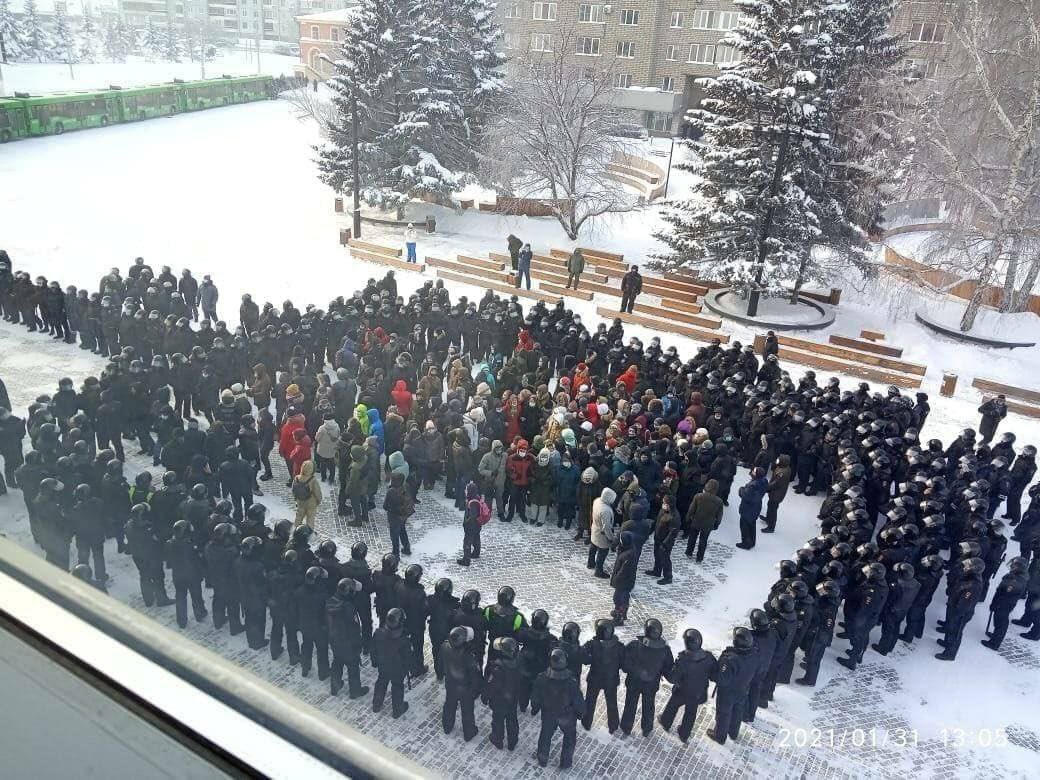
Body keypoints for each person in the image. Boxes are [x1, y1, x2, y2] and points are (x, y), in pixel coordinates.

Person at [659, 628, 716, 743]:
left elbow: (672, 678)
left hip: (682, 691)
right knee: (691, 713)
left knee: (672, 705)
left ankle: (666, 722)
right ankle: (684, 734)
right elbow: (714, 674)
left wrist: (664, 669)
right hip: (697, 693)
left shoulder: (683, 660)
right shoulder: (708, 657)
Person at [531, 648, 584, 769]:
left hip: (549, 714)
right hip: (567, 715)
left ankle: (543, 758)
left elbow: (535, 696)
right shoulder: (571, 682)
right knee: (569, 738)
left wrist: (535, 708)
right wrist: (581, 712)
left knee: (545, 735)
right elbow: (578, 699)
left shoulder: (542, 678)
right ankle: (565, 762)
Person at [619, 618, 674, 736]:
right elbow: (668, 669)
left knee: (630, 705)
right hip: (651, 684)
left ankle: (626, 727)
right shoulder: (665, 650)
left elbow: (625, 666)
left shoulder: (634, 646)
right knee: (649, 706)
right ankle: (647, 729)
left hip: (633, 682)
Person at [707, 626, 758, 745]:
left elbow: (722, 679)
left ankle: (719, 736)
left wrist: (712, 673)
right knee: (738, 711)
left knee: (724, 713)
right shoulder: (754, 655)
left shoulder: (730, 659)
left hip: (728, 693)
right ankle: (733, 732)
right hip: (743, 689)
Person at [327, 577, 369, 698]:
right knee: (353, 667)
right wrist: (358, 644)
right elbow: (354, 629)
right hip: (348, 643)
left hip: (335, 639)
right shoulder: (349, 608)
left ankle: (334, 686)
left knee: (337, 662)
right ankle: (355, 691)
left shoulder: (330, 601)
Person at [441, 625, 483, 741]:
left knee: (449, 705)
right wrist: (476, 690)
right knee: (467, 711)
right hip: (465, 688)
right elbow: (475, 675)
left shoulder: (445, 646)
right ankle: (469, 733)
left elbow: (442, 662)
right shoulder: (469, 656)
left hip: (450, 683)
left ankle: (447, 726)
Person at [371, 607, 412, 718]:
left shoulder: (379, 633)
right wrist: (406, 669)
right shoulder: (404, 641)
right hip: (397, 670)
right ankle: (398, 709)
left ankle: (376, 704)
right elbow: (408, 658)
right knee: (397, 687)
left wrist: (375, 662)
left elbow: (373, 649)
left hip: (383, 665)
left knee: (381, 682)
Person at [483, 636, 522, 751]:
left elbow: (491, 685)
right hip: (513, 698)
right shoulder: (519, 662)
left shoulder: (497, 667)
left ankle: (497, 739)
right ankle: (512, 742)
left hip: (499, 700)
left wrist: (485, 696)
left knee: (498, 721)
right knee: (512, 720)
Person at [686, 478, 724, 561]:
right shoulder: (719, 501)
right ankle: (699, 557)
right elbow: (719, 515)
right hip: (708, 524)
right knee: (703, 541)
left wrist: (688, 518)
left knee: (692, 537)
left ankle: (689, 552)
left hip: (696, 521)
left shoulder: (698, 496)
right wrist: (717, 523)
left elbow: (691, 509)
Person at [646, 494, 681, 584]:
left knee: (665, 559)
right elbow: (657, 521)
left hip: (665, 543)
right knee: (657, 555)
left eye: (665, 503)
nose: (663, 504)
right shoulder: (663, 511)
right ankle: (657, 571)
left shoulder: (674, 517)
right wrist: (650, 531)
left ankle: (668, 577)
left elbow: (672, 533)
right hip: (658, 538)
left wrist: (664, 544)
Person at [383, 471, 414, 558]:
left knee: (394, 535)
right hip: (404, 515)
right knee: (402, 530)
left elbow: (385, 506)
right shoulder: (406, 486)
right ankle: (406, 548)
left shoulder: (391, 491)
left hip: (394, 516)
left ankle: (395, 554)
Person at [735, 468, 768, 549]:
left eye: (754, 472)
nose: (752, 472)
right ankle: (752, 542)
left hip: (748, 509)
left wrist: (741, 490)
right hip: (756, 508)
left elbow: (746, 496)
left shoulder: (753, 485)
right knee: (752, 525)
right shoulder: (763, 481)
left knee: (744, 526)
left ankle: (746, 543)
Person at [588, 487, 616, 578]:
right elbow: (606, 527)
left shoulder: (597, 501)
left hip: (595, 529)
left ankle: (590, 563)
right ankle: (598, 571)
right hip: (602, 535)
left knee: (593, 547)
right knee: (602, 552)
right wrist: (611, 538)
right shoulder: (606, 510)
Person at [457, 481, 484, 566]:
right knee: (476, 538)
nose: (465, 490)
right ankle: (476, 553)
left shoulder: (472, 502)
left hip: (471, 526)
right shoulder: (477, 497)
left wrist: (466, 523)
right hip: (477, 525)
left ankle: (466, 560)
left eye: (467, 489)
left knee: (467, 542)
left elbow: (472, 516)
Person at [762, 454, 792, 533]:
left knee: (773, 510)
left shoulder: (783, 473)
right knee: (770, 505)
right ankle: (768, 519)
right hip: (774, 493)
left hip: (777, 494)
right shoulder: (782, 467)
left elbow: (776, 483)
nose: (777, 461)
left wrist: (766, 488)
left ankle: (771, 527)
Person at [292, 459, 322, 528]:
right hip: (311, 503)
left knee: (298, 518)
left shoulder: (297, 478)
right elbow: (318, 493)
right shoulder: (313, 480)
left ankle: (295, 531)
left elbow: (293, 490)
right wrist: (318, 501)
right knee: (310, 519)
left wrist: (296, 499)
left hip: (300, 502)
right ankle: (309, 533)